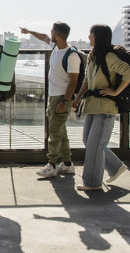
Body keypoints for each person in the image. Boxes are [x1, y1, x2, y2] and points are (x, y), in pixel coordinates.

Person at [71, 24, 130, 191]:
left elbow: (129, 73)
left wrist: (115, 91)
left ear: (97, 36)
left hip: (105, 108)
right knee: (89, 141)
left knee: (95, 144)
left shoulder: (109, 56)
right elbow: (86, 80)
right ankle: (115, 166)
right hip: (92, 106)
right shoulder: (93, 55)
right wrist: (77, 98)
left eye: (90, 34)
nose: (88, 37)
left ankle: (92, 183)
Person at [20, 23, 79, 178]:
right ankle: (67, 164)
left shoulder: (71, 55)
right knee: (61, 131)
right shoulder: (55, 47)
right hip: (54, 96)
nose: (50, 34)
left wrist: (65, 101)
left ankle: (51, 164)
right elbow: (43, 37)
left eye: (52, 32)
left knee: (54, 131)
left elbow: (73, 81)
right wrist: (28, 31)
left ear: (57, 35)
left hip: (61, 97)